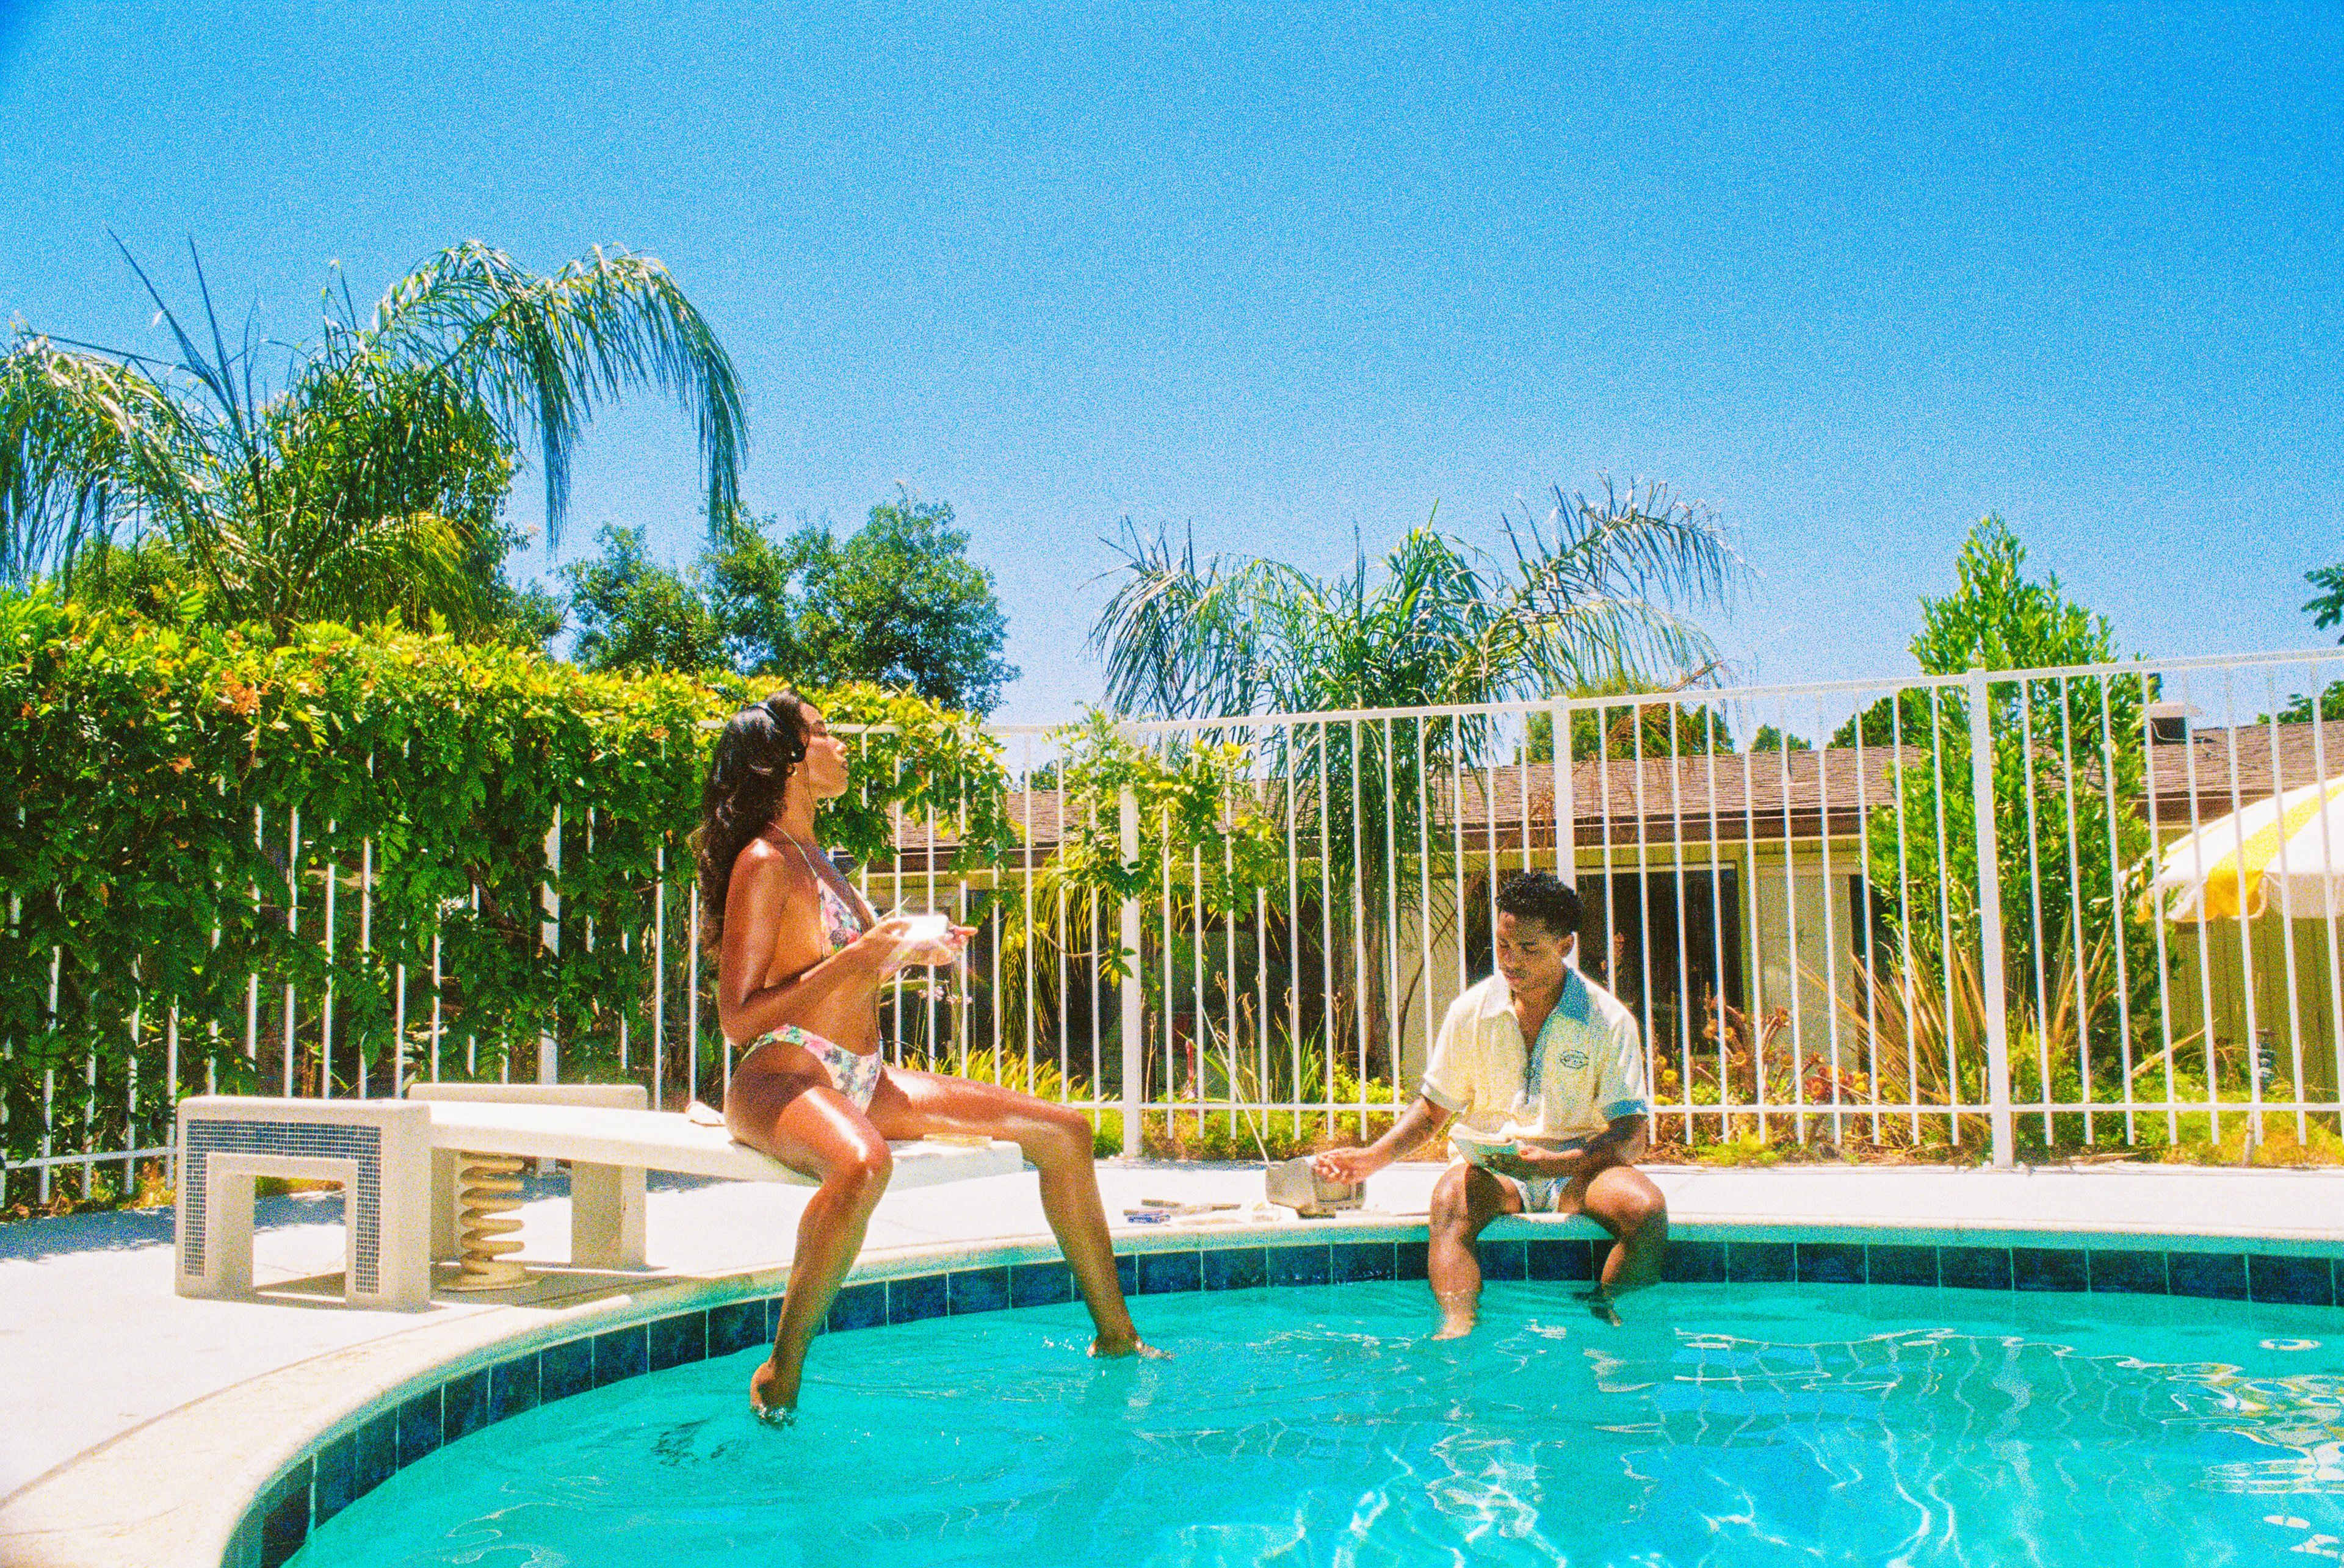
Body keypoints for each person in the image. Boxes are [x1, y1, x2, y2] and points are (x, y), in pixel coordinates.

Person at [700, 691, 1158, 1423]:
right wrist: (864, 955)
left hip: (863, 1077)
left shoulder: (816, 854)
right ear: (786, 758)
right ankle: (779, 1370)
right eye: (822, 733)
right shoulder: (763, 860)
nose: (840, 744)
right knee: (862, 1164)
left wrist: (908, 953)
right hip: (782, 1073)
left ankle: (1118, 1337)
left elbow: (843, 972)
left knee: (1065, 1132)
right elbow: (738, 1018)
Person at [1314, 871, 1668, 1335]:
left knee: (1647, 1210)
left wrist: (1557, 1163)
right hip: (1496, 1171)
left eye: (1529, 948)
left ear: (1565, 945)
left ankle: (1608, 1314)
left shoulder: (1608, 1018)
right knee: (1447, 1200)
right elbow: (1432, 1110)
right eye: (1503, 944)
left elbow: (1630, 1134)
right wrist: (1370, 1159)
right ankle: (1458, 1330)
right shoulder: (1471, 1011)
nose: (1511, 960)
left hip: (1579, 1171)